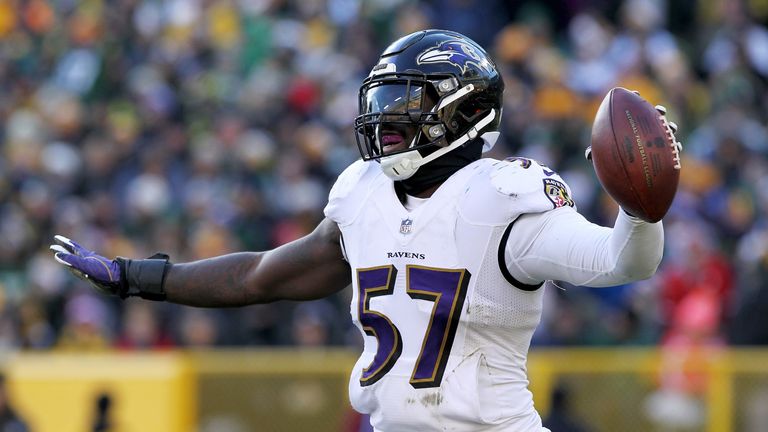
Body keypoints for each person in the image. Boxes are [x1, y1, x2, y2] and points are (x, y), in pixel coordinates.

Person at [50, 29, 678, 431]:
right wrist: (141, 277)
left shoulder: (504, 199)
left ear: (458, 110)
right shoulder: (364, 192)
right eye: (382, 100)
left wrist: (641, 209)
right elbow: (261, 276)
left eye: (405, 102)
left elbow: (622, 261)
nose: (384, 119)